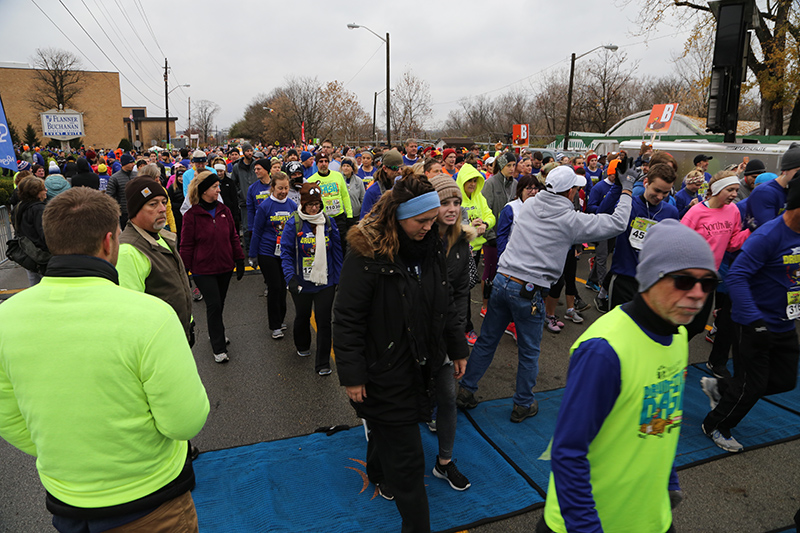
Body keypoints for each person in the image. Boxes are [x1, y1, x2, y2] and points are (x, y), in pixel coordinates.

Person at [0, 186, 209, 533]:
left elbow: (9, 416)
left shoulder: (7, 317)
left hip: (67, 501)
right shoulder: (151, 316)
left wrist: (71, 449)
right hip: (150, 502)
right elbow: (185, 423)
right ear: (110, 242)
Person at [539, 219, 717, 533]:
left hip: (651, 518)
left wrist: (669, 482)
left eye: (708, 283)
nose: (698, 295)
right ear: (650, 278)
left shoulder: (676, 337)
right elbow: (567, 452)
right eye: (684, 281)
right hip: (589, 523)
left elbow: (662, 419)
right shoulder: (604, 350)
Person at [333, 171, 467, 532]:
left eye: (432, 220)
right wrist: (353, 374)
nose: (428, 227)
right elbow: (347, 317)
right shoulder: (367, 254)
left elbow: (445, 301)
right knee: (409, 465)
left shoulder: (433, 245)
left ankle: (377, 470)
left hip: (422, 364)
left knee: (385, 431)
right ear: (398, 216)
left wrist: (457, 346)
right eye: (421, 221)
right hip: (384, 370)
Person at [457, 164, 635, 422]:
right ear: (570, 192)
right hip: (528, 289)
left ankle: (466, 392)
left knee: (487, 341)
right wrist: (627, 190)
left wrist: (617, 187)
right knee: (529, 351)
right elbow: (617, 223)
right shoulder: (570, 220)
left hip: (503, 280)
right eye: (575, 188)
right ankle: (523, 404)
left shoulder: (530, 205)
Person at [700, 174, 800, 454]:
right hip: (753, 323)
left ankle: (721, 389)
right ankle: (716, 424)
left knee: (783, 380)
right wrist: (752, 318)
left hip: (784, 321)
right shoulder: (768, 235)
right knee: (752, 384)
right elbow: (737, 277)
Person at [428, 174, 475, 491]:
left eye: (456, 202)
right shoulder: (418, 237)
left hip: (445, 336)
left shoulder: (461, 245)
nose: (452, 208)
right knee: (403, 403)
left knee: (447, 398)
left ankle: (443, 463)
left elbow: (460, 298)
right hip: (412, 336)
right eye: (445, 202)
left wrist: (458, 347)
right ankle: (383, 464)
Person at [116, 176, 195, 345]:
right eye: (153, 204)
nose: (162, 209)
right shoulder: (128, 251)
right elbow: (130, 313)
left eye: (163, 202)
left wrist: (189, 321)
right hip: (159, 342)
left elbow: (175, 287)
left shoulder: (162, 237)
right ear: (136, 209)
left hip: (178, 331)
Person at [180, 171, 246, 363]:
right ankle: (218, 347)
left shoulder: (224, 210)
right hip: (203, 270)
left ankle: (215, 330)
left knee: (219, 304)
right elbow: (186, 245)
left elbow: (233, 236)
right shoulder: (191, 215)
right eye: (214, 187)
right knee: (214, 305)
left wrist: (239, 259)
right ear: (203, 190)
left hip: (225, 267)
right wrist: (185, 269)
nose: (218, 189)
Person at [681, 171, 750, 342]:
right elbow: (679, 242)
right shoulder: (696, 212)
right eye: (730, 190)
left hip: (710, 277)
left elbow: (732, 244)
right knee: (681, 322)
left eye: (736, 190)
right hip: (688, 276)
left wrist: (751, 230)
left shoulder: (733, 210)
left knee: (697, 325)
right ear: (718, 189)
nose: (735, 194)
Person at [600, 163, 680, 310]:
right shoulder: (628, 205)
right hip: (624, 278)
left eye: (666, 192)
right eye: (656, 190)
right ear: (646, 183)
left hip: (652, 283)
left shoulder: (671, 212)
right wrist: (619, 185)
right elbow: (602, 213)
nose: (660, 197)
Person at [282, 183, 342, 375]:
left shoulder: (329, 223)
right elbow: (286, 253)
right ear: (303, 204)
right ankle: (302, 344)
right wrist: (290, 277)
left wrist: (339, 278)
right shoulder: (294, 223)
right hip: (302, 281)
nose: (314, 208)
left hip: (326, 281)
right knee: (303, 316)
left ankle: (323, 363)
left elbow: (338, 252)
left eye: (317, 204)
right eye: (310, 205)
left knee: (324, 321)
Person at [251, 172, 297, 339]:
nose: (283, 191)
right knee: (275, 287)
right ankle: (275, 325)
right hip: (267, 252)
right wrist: (252, 254)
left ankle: (281, 319)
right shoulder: (265, 206)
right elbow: (256, 231)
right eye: (280, 188)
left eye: (286, 188)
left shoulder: (292, 206)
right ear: (272, 188)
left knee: (283, 288)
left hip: (285, 253)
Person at [457, 163, 495, 345]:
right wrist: (469, 227)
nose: (472, 184)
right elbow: (451, 225)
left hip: (477, 250)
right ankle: (466, 328)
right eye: (469, 181)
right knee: (463, 290)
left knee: (467, 288)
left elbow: (490, 215)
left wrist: (484, 225)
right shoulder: (456, 198)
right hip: (461, 250)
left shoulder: (479, 196)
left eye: (475, 180)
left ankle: (463, 325)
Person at [479, 152, 517, 317]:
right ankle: (485, 304)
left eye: (514, 165)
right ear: (501, 166)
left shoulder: (516, 183)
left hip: (510, 236)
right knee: (490, 271)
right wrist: (489, 235)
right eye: (508, 165)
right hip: (492, 236)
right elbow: (485, 210)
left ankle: (502, 305)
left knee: (507, 273)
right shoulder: (490, 183)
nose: (512, 168)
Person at [309, 152, 353, 253]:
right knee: (325, 247)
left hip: (339, 217)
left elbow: (345, 195)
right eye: (320, 162)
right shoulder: (311, 180)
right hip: (322, 218)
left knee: (342, 245)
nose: (323, 164)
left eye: (326, 161)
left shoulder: (338, 176)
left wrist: (349, 215)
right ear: (316, 164)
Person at [13, 176, 50, 285]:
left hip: (28, 253)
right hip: (42, 255)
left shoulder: (19, 207)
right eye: (43, 188)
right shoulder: (39, 209)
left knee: (34, 285)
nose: (46, 190)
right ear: (36, 193)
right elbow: (44, 234)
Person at [360, 149, 403, 219]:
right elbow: (364, 219)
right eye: (395, 168)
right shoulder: (372, 191)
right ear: (385, 168)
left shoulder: (404, 186)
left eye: (402, 168)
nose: (399, 171)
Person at [232, 143, 257, 252]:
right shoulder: (237, 167)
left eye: (251, 151)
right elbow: (234, 182)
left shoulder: (256, 165)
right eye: (247, 151)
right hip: (244, 202)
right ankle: (248, 250)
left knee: (258, 226)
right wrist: (240, 193)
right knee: (247, 228)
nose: (250, 153)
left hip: (257, 201)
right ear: (244, 152)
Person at [106, 153, 136, 228]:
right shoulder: (115, 178)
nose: (133, 164)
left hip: (136, 210)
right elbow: (109, 196)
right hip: (123, 212)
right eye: (131, 163)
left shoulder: (136, 175)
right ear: (125, 164)